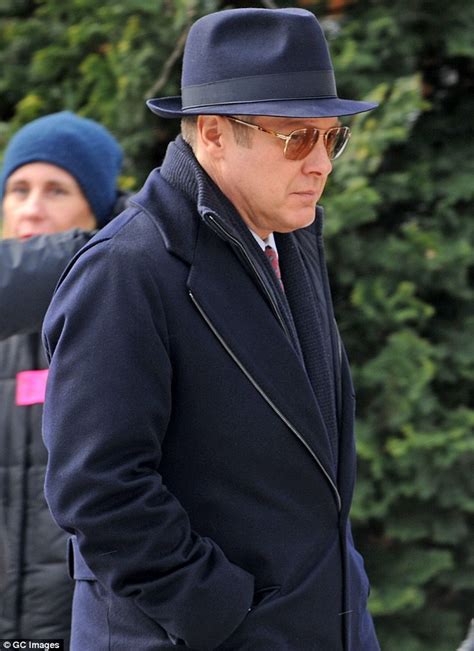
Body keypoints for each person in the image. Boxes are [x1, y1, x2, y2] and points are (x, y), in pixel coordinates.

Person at [42, 8, 380, 650]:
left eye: (331, 139)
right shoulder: (125, 267)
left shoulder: (290, 233)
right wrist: (219, 612)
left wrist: (344, 600)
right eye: (296, 138)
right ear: (215, 134)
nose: (322, 165)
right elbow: (98, 489)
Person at [0, 111, 123, 647]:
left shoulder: (122, 314)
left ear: (94, 210)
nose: (30, 208)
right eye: (18, 188)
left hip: (90, 628)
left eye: (56, 190)